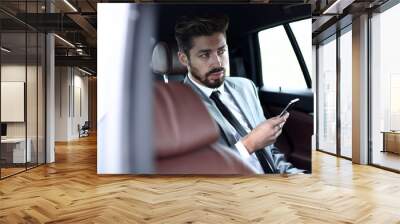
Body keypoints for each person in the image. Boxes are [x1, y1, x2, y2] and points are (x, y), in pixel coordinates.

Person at [175, 14, 303, 174]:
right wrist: (249, 144)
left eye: (221, 51)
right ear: (184, 59)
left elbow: (270, 152)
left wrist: (295, 177)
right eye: (205, 55)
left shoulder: (246, 87)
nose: (218, 63)